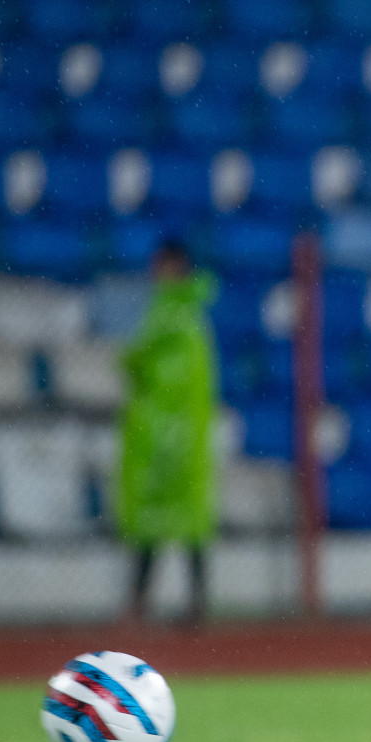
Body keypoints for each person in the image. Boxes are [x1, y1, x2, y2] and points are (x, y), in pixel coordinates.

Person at [117, 240, 218, 623]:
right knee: (163, 521)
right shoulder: (176, 316)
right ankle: (148, 602)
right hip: (168, 435)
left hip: (175, 435)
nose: (160, 274)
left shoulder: (176, 318)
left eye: (166, 266)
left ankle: (188, 603)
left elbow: (141, 368)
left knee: (181, 522)